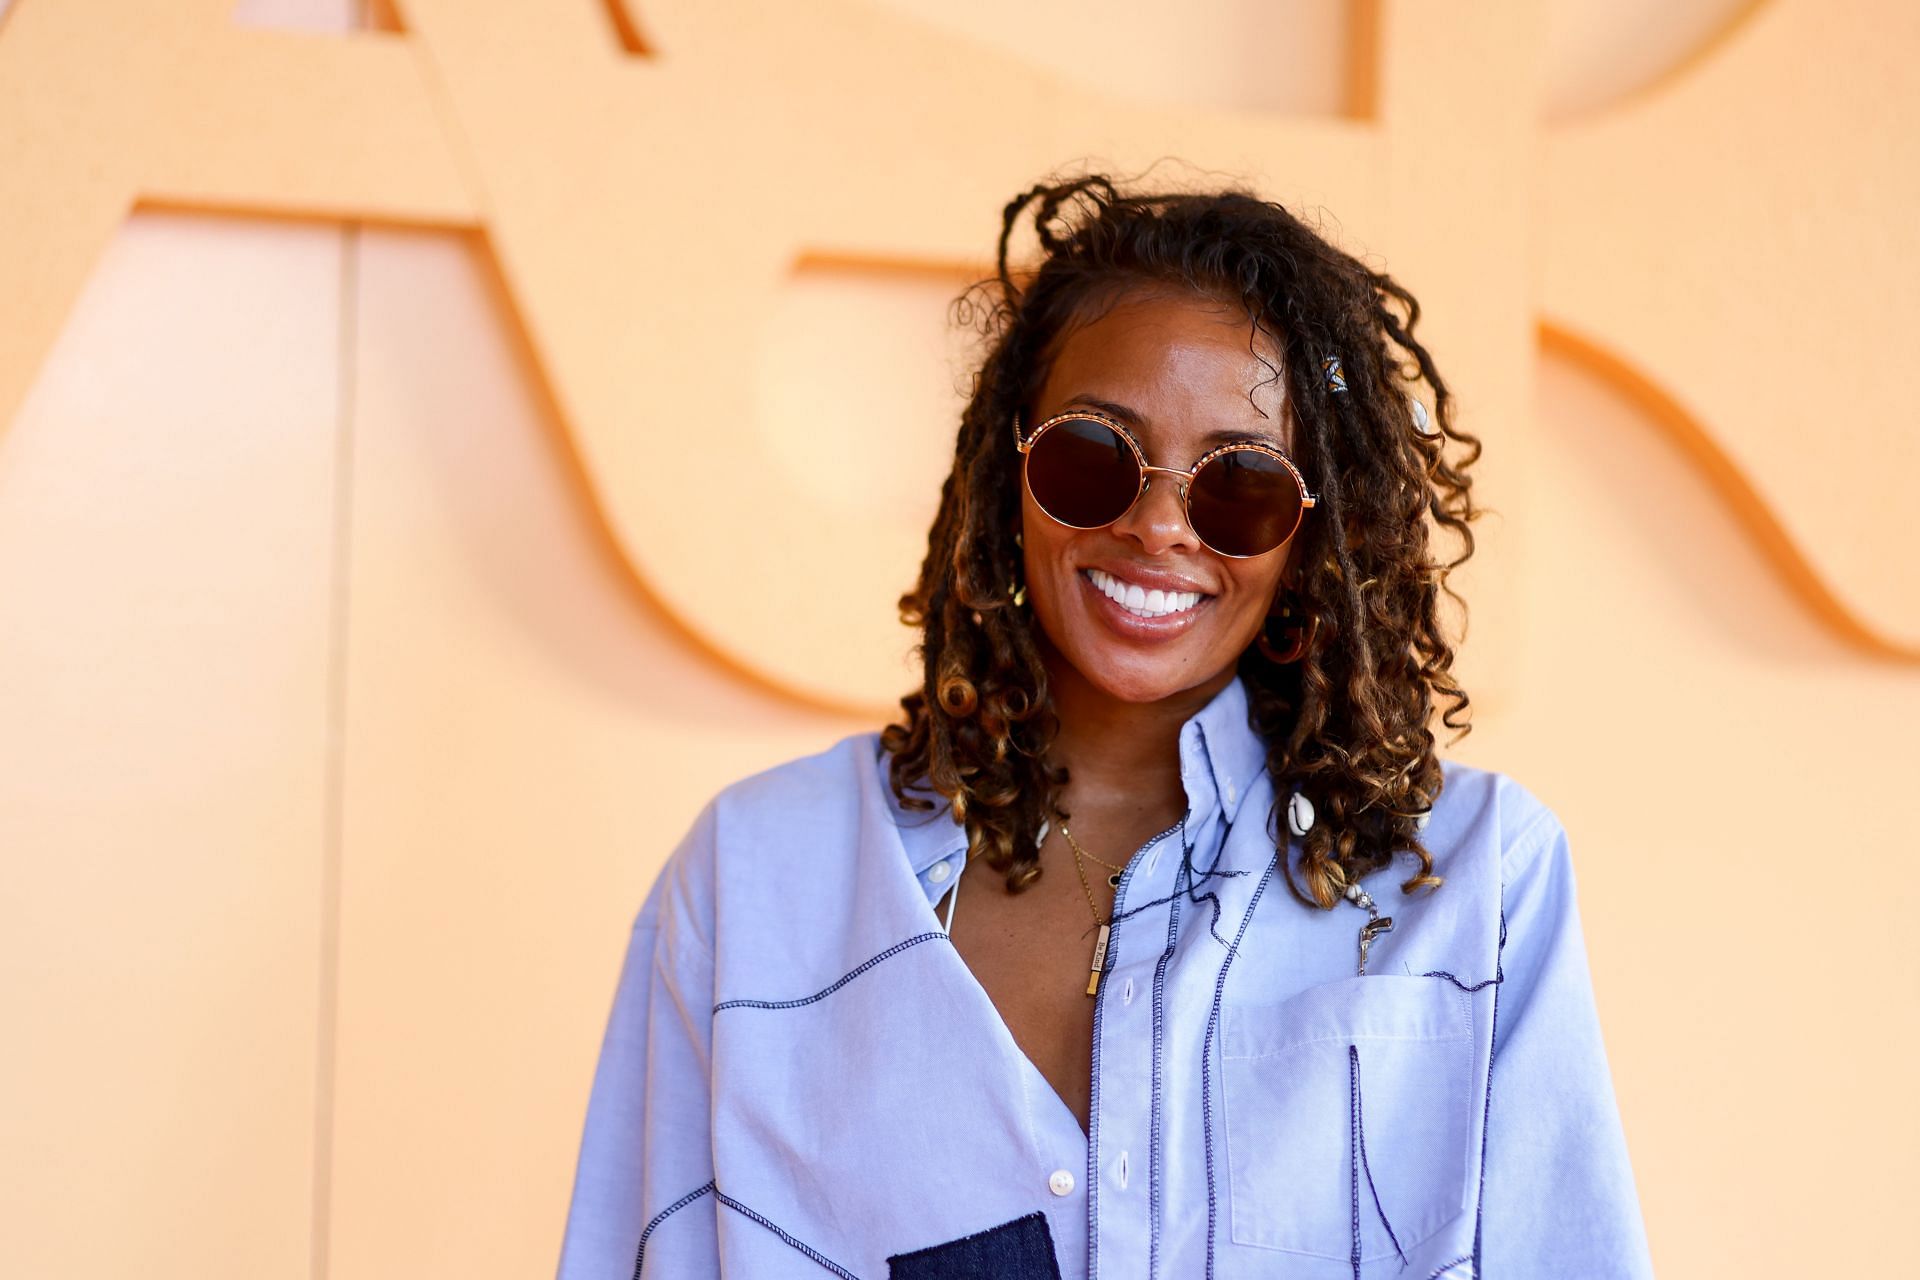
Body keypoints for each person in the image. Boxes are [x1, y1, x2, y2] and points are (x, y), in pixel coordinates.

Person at [556, 174, 1655, 1279]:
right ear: (1009, 470)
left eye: (1240, 485)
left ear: (1319, 528)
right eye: (1094, 456)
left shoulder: (1474, 885)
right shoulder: (756, 878)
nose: (1158, 526)